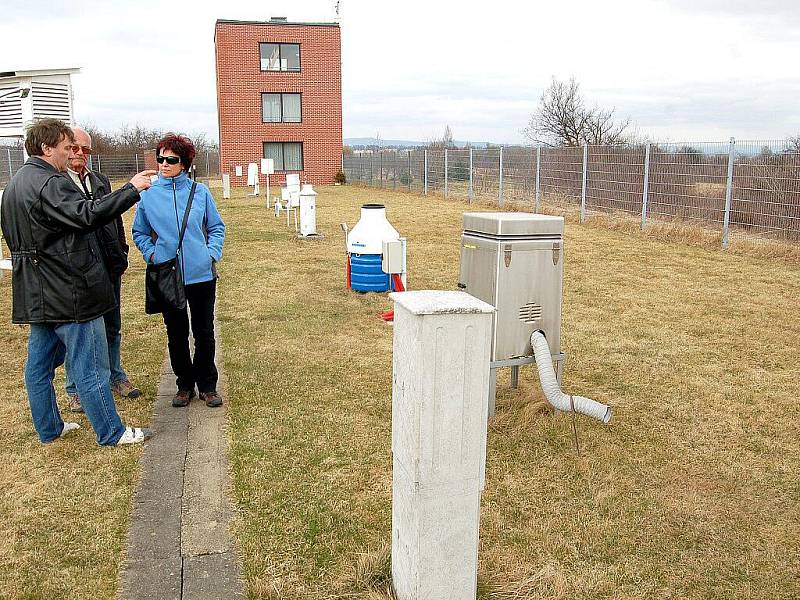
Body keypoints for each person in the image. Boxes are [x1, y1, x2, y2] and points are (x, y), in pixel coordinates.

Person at [0, 118, 156, 445]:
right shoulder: (50, 182)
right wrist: (132, 189)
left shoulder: (14, 185)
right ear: (46, 147)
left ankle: (50, 428)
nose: (70, 153)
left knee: (38, 368)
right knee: (90, 367)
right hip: (68, 293)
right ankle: (111, 432)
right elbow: (88, 214)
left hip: (37, 293)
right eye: (66, 147)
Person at [132, 133, 226, 408]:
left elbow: (216, 227)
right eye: (160, 158)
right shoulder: (148, 195)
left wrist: (210, 254)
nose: (163, 164)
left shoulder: (201, 193)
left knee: (204, 332)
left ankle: (208, 385)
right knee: (175, 332)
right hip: (166, 273)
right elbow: (139, 232)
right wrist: (152, 254)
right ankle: (184, 384)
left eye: (170, 159)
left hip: (201, 275)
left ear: (184, 163)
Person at [64, 127, 141, 413]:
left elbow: (113, 217)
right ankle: (75, 389)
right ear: (63, 147)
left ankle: (115, 375)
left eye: (86, 150)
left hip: (108, 265)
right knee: (80, 333)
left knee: (112, 326)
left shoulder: (99, 180)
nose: (80, 154)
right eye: (74, 148)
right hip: (79, 270)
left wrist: (120, 251)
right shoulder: (57, 183)